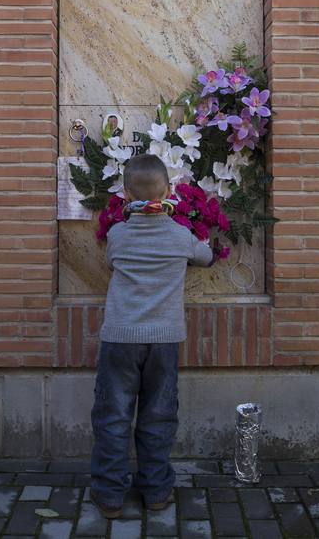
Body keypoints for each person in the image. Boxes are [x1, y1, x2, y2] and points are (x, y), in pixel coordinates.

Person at [90, 154, 213, 518]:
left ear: (126, 194)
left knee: (113, 416)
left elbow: (112, 261)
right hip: (164, 340)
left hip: (120, 338)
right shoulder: (180, 236)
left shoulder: (117, 234)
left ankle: (110, 495)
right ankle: (156, 491)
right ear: (170, 191)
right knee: (158, 415)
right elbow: (205, 257)